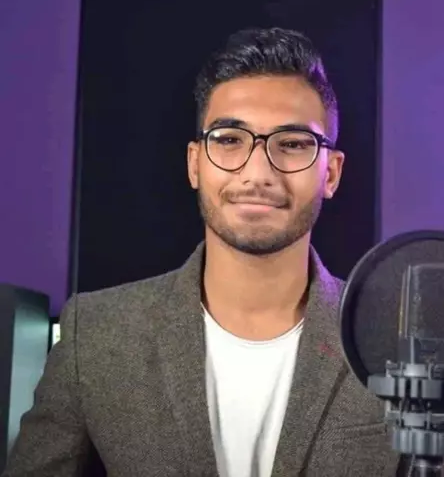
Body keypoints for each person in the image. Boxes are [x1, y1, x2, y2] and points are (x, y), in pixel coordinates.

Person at [2, 27, 400, 477]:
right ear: (195, 163)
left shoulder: (391, 343)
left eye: (292, 144)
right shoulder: (94, 334)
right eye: (229, 139)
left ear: (331, 173)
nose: (257, 173)